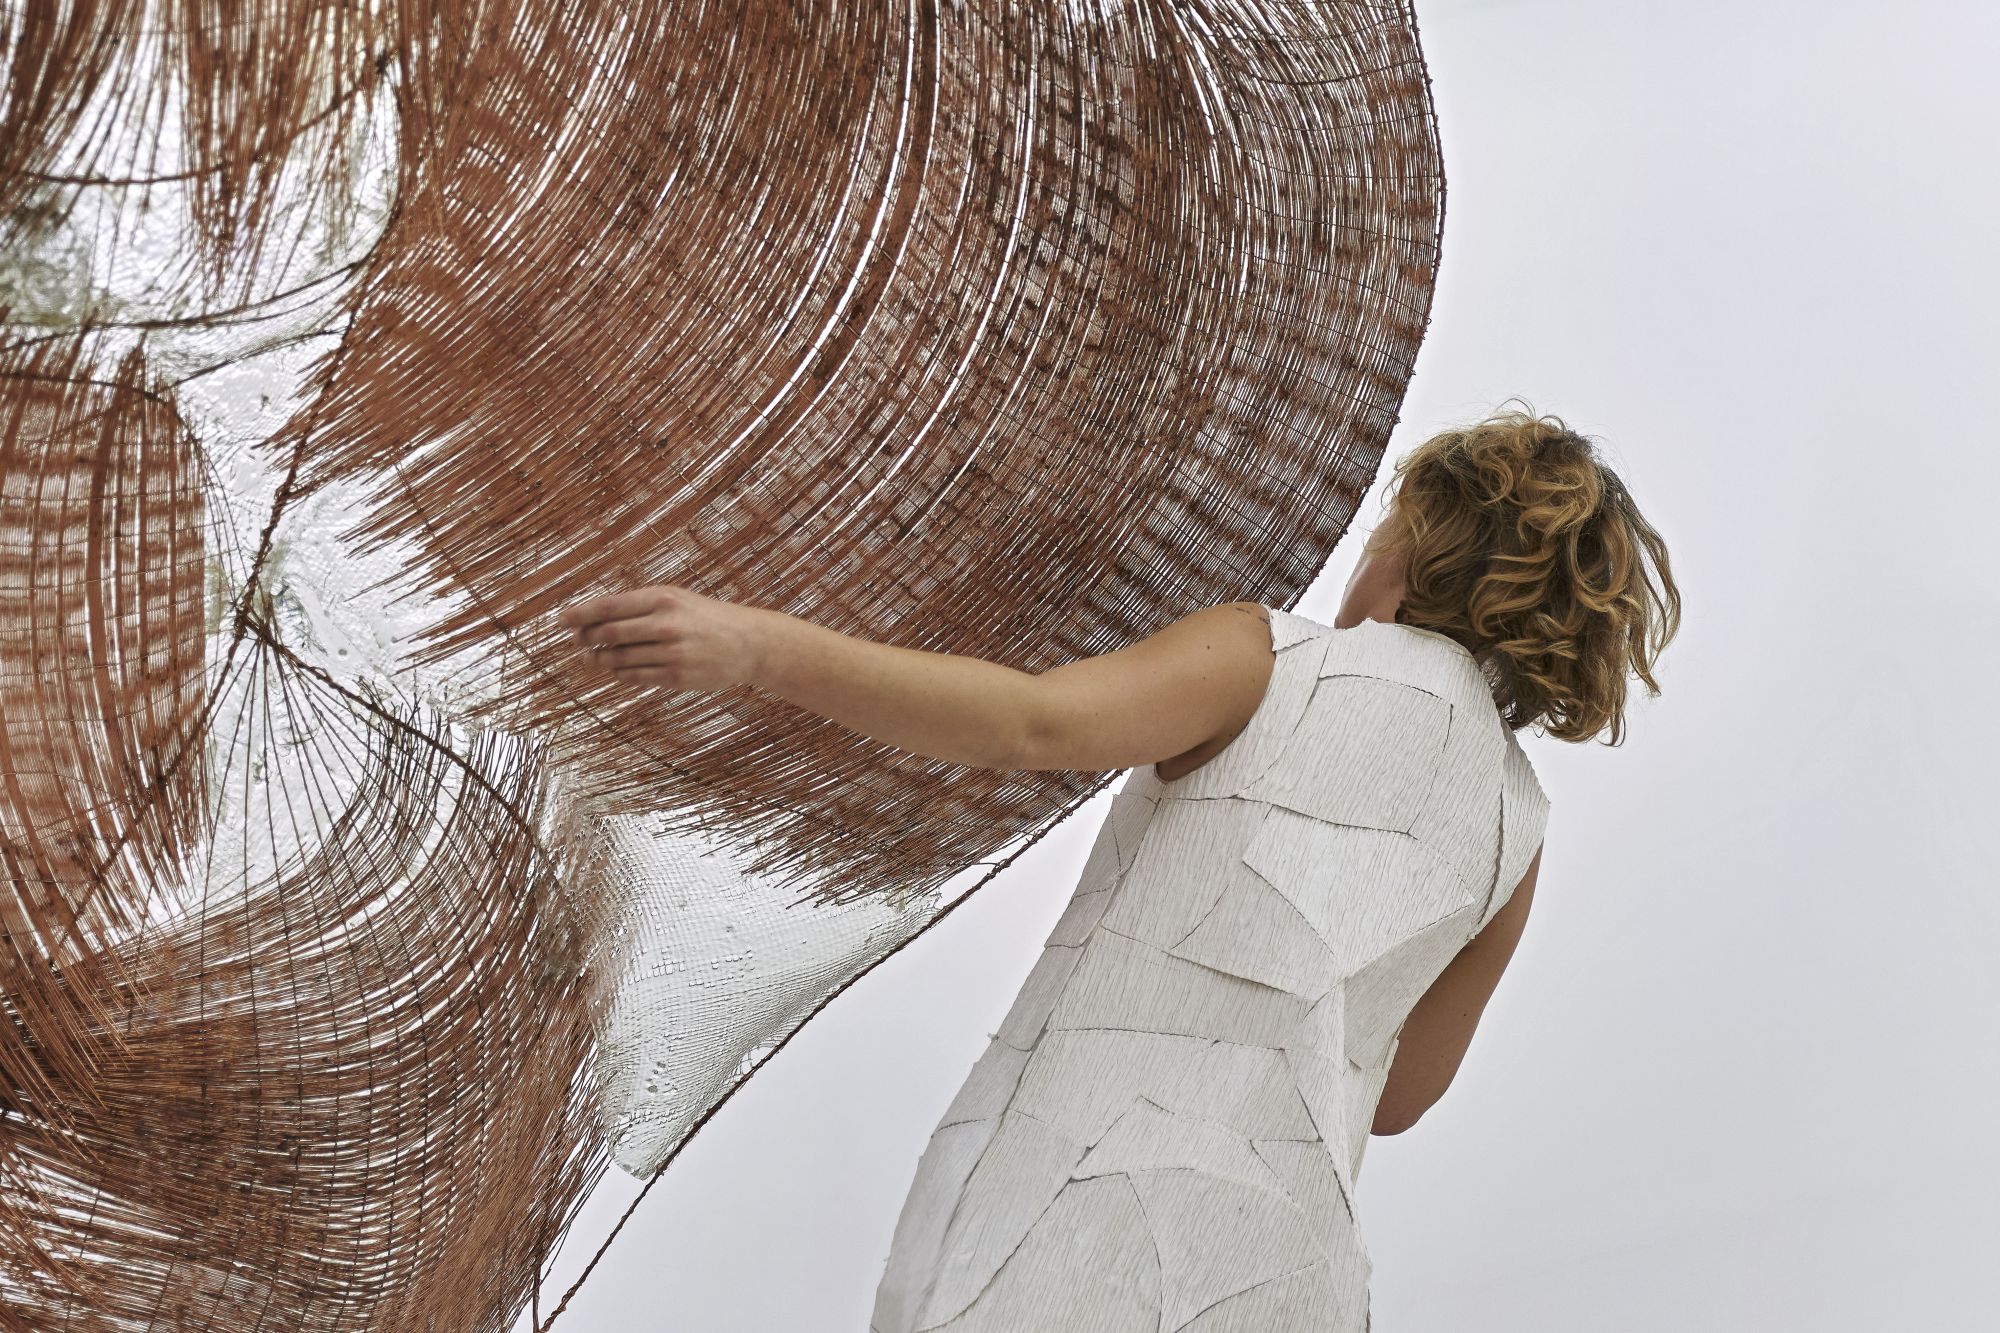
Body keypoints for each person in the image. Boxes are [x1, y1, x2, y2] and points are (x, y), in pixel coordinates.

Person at [560, 405, 1682, 1331]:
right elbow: (1395, 1097)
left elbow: (1031, 724)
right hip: (1285, 1273)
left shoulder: (1272, 657)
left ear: (1408, 560)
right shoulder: (1514, 832)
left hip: (1071, 1211)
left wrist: (760, 648)